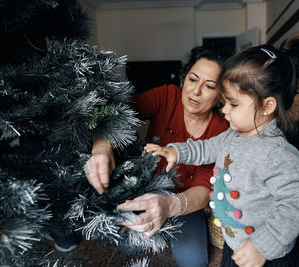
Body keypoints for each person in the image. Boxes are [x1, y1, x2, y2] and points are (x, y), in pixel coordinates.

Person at [144, 33, 299, 267]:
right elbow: (207, 148)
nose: (224, 110)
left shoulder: (278, 154)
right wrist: (177, 151)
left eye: (233, 104)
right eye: (224, 102)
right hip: (234, 243)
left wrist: (262, 246)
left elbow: (295, 207)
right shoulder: (233, 134)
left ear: (267, 106)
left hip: (267, 254)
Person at [85, 44, 232, 266]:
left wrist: (170, 206)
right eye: (193, 79)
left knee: (193, 261)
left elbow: (204, 187)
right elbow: (118, 113)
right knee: (130, 246)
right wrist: (102, 147)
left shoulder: (222, 128)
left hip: (186, 202)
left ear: (221, 96)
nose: (196, 91)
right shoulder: (167, 96)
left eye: (209, 86)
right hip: (149, 189)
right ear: (185, 78)